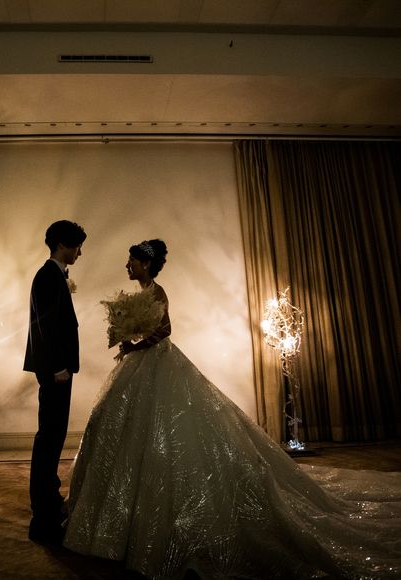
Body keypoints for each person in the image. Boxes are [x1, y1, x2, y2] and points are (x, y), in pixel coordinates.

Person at [63, 239, 401, 579]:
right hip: (140, 365)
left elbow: (165, 330)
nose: (128, 266)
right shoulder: (140, 293)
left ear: (146, 264)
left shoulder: (158, 291)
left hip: (158, 363)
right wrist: (127, 338)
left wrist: (137, 345)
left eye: (132, 262)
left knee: (169, 432)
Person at [24, 219, 86, 544]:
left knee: (53, 435)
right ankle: (42, 516)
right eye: (77, 246)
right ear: (62, 244)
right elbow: (46, 326)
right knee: (49, 437)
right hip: (56, 371)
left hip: (58, 370)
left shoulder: (54, 275)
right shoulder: (48, 275)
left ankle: (49, 500)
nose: (79, 252)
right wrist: (58, 366)